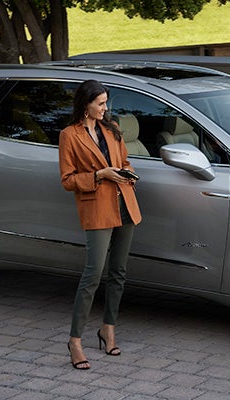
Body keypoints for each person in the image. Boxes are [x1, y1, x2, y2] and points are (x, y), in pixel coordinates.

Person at [58, 80, 142, 370]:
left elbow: (126, 162)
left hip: (125, 205)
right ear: (86, 105)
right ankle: (75, 341)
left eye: (106, 103)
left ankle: (108, 329)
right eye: (101, 103)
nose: (106, 108)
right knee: (92, 275)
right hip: (97, 209)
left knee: (118, 273)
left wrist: (126, 173)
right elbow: (68, 180)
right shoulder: (69, 135)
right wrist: (100, 174)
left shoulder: (112, 128)